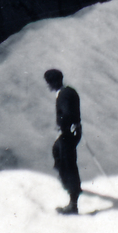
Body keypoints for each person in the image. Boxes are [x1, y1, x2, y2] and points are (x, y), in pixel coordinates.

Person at [44, 68, 81, 214]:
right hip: (71, 132)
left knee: (68, 164)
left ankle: (73, 203)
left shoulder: (64, 95)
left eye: (49, 83)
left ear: (54, 82)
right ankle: (66, 180)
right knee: (56, 150)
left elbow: (67, 113)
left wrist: (63, 126)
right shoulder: (68, 91)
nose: (48, 86)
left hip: (68, 134)